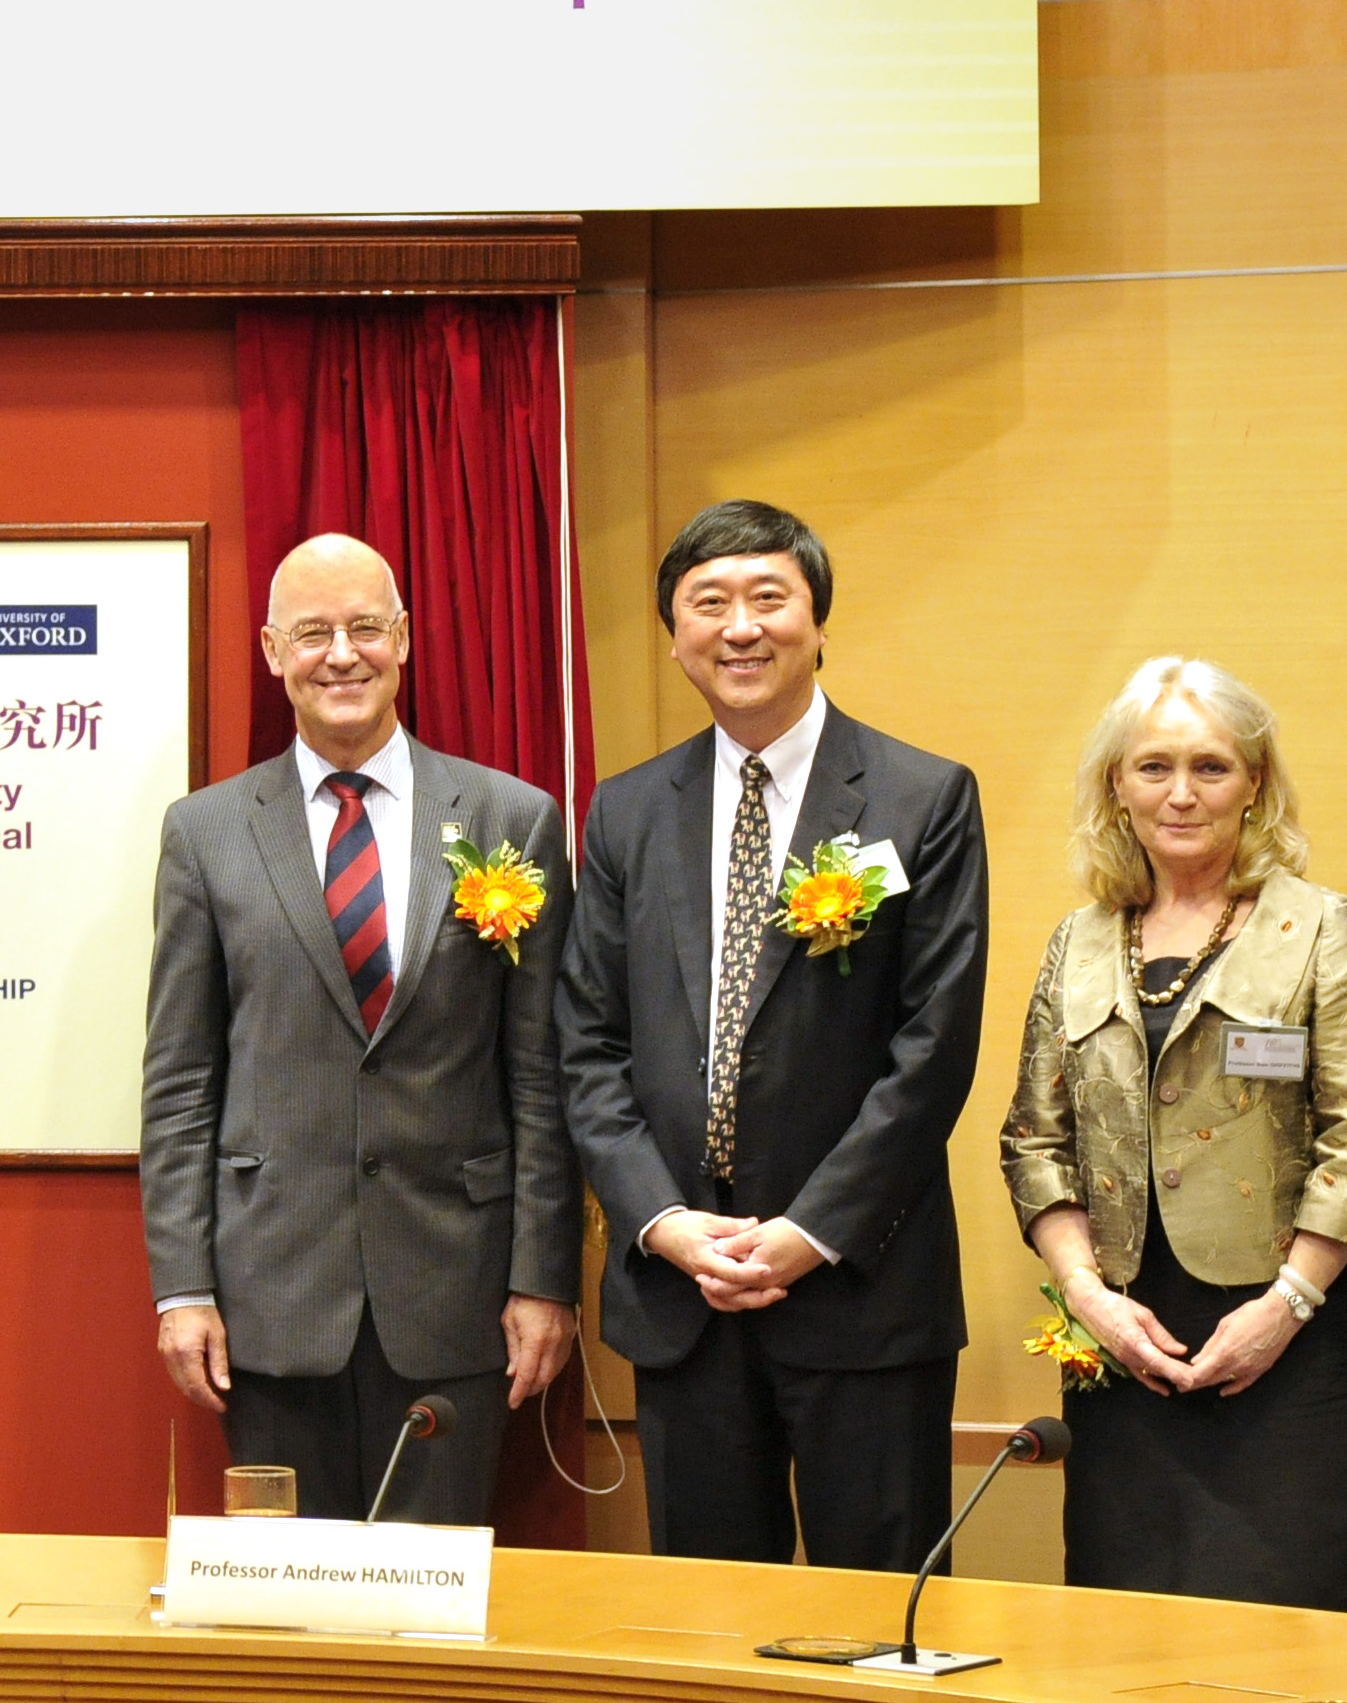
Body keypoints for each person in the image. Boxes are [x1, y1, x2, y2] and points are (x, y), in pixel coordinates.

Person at [556, 500, 988, 1571]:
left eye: (766, 598)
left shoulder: (919, 798)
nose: (738, 627)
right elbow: (587, 1045)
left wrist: (808, 1231)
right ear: (674, 637)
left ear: (817, 620)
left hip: (859, 1290)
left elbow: (931, 1050)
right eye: (709, 604)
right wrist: (660, 1221)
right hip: (683, 1298)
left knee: (879, 1626)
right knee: (707, 1634)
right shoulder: (625, 813)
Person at [140, 534, 580, 1523]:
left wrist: (544, 1280)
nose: (341, 654)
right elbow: (179, 1078)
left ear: (406, 639)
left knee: (430, 1605)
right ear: (269, 652)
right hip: (267, 1297)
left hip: (457, 1296)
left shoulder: (513, 818)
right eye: (312, 633)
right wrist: (181, 1289)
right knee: (285, 1610)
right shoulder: (205, 833)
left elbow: (542, 1077)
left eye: (365, 628)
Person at [1000, 657, 1347, 1610]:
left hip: (1294, 1337)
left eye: (1211, 767)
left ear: (1255, 782)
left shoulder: (1323, 928)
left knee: (1306, 1625)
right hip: (1125, 1340)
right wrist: (1087, 1297)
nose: (1181, 794)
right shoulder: (1081, 941)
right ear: (1117, 786)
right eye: (1153, 768)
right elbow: (1033, 1141)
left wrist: (1286, 1307)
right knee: (1131, 1621)